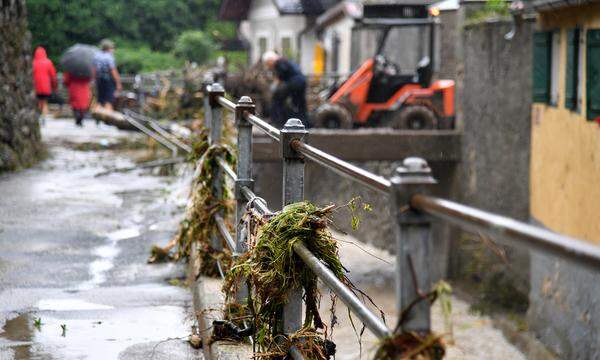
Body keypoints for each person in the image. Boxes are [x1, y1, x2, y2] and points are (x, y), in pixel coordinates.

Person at [262, 51, 309, 128]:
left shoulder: (278, 62)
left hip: (294, 83)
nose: (268, 66)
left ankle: (278, 121)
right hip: (302, 82)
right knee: (299, 103)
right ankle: (305, 123)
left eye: (267, 64)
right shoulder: (285, 60)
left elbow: (282, 73)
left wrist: (276, 85)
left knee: (276, 99)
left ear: (270, 60)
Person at [94, 39, 122, 111]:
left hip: (99, 79)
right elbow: (113, 70)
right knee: (109, 99)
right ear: (108, 48)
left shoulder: (97, 55)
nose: (113, 50)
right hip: (108, 80)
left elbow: (94, 69)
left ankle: (97, 115)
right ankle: (107, 118)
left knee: (100, 99)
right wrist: (118, 83)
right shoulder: (109, 57)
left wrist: (94, 80)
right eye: (112, 48)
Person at [32, 46, 57, 123]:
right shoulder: (48, 62)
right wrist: (54, 86)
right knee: (45, 102)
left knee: (39, 101)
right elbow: (53, 76)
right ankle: (43, 116)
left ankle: (39, 114)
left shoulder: (33, 63)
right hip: (46, 87)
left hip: (36, 86)